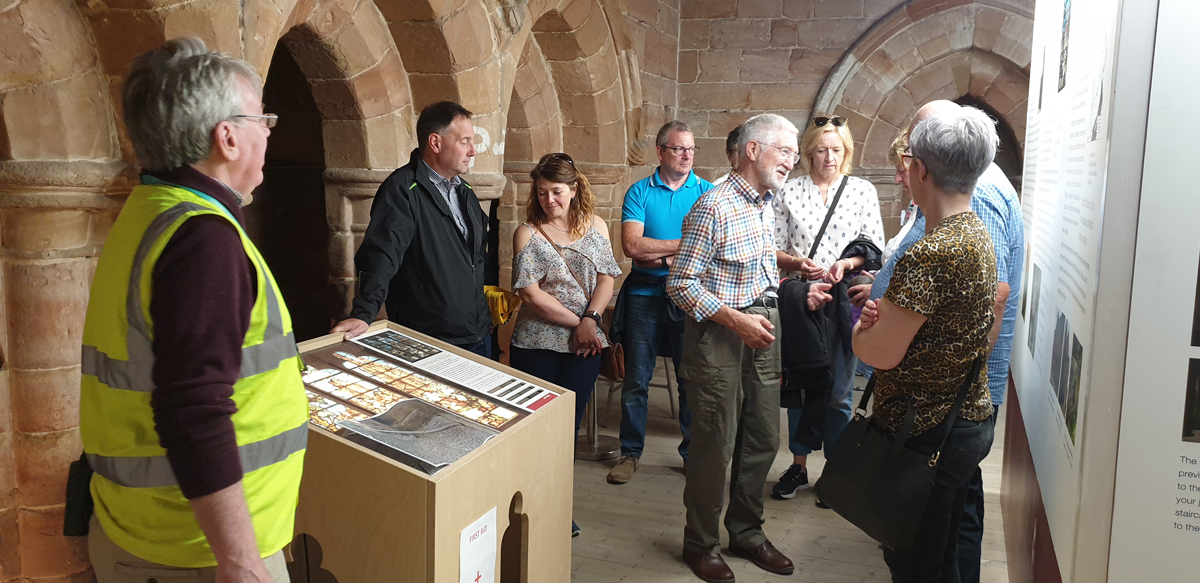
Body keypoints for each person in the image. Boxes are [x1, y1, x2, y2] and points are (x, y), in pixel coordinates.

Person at [79, 38, 303, 581]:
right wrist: (240, 560)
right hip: (196, 551)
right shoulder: (201, 238)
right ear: (227, 137)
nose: (269, 130)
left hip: (146, 530)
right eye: (261, 118)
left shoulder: (152, 210)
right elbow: (194, 410)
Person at [848, 101, 1025, 582]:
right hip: (962, 418)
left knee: (915, 563)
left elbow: (877, 353)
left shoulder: (930, 253)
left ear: (920, 169)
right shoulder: (975, 235)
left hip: (924, 430)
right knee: (940, 557)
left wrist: (862, 328)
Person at [667, 113, 798, 582]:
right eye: (784, 151)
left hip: (763, 327)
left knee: (763, 438)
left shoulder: (764, 203)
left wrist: (792, 266)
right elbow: (680, 284)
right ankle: (700, 544)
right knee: (714, 445)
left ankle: (746, 532)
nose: (792, 161)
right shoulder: (713, 206)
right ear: (753, 150)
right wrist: (735, 319)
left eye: (794, 153)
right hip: (720, 335)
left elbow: (750, 262)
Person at [770, 115, 885, 502]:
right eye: (821, 150)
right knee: (801, 384)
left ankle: (834, 471)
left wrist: (846, 265)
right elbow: (773, 247)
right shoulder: (790, 190)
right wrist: (799, 265)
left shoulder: (862, 190)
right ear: (809, 153)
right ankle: (798, 466)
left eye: (836, 150)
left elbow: (874, 247)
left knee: (838, 390)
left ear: (846, 152)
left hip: (844, 299)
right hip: (803, 299)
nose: (829, 157)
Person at [509, 152, 621, 536]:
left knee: (566, 433)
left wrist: (590, 322)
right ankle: (522, 508)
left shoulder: (597, 226)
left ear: (574, 190)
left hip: (582, 349)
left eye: (556, 192)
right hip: (537, 346)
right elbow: (530, 294)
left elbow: (607, 278)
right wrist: (583, 324)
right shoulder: (528, 232)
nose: (548, 200)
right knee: (533, 431)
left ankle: (556, 507)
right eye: (541, 193)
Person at [331, 101, 492, 356]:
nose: (473, 151)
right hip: (430, 340)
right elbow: (381, 255)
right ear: (436, 143)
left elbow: (476, 257)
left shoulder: (465, 192)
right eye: (465, 141)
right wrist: (364, 313)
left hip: (477, 334)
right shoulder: (402, 190)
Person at [607, 121, 713, 485]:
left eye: (691, 149)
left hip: (688, 297)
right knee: (636, 378)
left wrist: (663, 256)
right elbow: (633, 248)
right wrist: (684, 246)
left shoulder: (707, 192)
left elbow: (711, 248)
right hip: (643, 298)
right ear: (660, 152)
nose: (687, 156)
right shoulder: (639, 191)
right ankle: (630, 454)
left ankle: (692, 455)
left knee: (690, 380)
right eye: (679, 149)